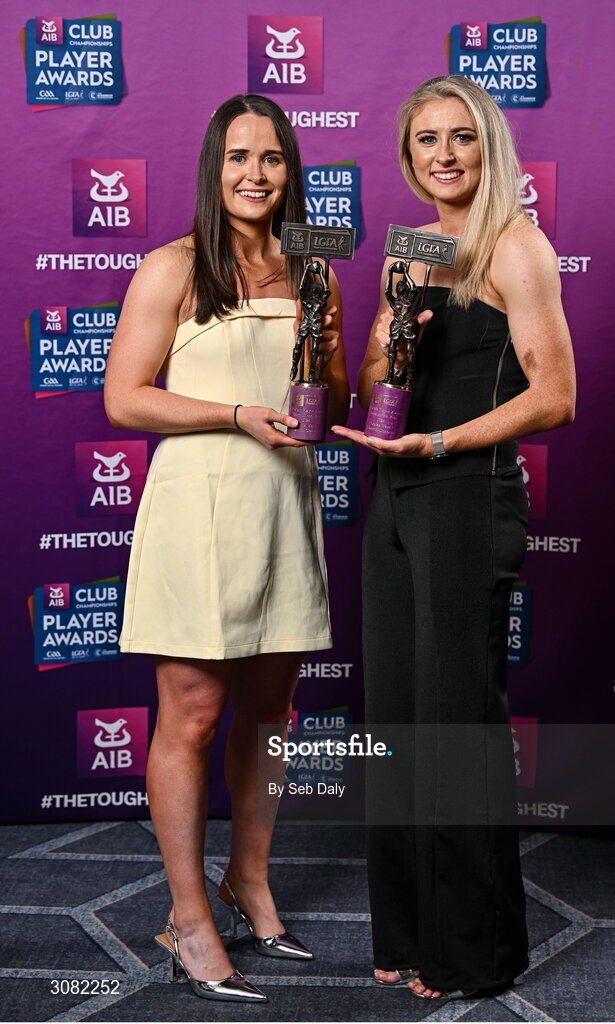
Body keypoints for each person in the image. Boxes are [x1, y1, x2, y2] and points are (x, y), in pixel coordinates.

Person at [332, 75, 575, 1003]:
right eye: (425, 140)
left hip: (465, 494)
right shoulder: (410, 245)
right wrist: (394, 351)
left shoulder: (517, 247)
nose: (443, 155)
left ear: (488, 147)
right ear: (407, 156)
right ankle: (406, 934)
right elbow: (369, 375)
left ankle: (472, 950)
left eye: (460, 137)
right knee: (395, 720)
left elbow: (554, 395)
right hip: (395, 493)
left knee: (453, 723)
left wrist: (438, 439)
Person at [104, 93, 349, 1004]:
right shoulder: (172, 266)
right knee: (194, 713)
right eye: (238, 157)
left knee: (270, 709)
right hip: (198, 503)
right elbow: (125, 398)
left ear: (291, 170)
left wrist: (337, 356)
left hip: (284, 502)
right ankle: (188, 917)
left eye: (272, 159)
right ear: (214, 169)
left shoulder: (313, 268)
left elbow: (324, 395)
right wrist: (235, 415)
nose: (255, 174)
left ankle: (249, 884)